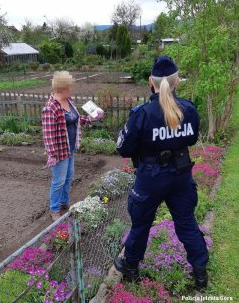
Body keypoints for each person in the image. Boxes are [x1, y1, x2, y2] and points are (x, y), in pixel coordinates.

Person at [114, 55, 209, 290]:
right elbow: (193, 137)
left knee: (141, 224)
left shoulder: (142, 113)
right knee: (186, 222)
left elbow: (122, 148)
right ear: (176, 82)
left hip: (150, 177)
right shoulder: (188, 109)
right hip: (180, 175)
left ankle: (131, 269)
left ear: (151, 82)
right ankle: (200, 275)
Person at [42, 71, 104, 221]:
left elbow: (75, 119)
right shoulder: (51, 108)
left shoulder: (68, 101)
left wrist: (91, 118)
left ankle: (64, 202)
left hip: (70, 147)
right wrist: (52, 155)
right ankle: (54, 209)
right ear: (63, 88)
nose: (72, 89)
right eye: (70, 87)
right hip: (59, 151)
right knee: (59, 180)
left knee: (68, 176)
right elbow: (48, 134)